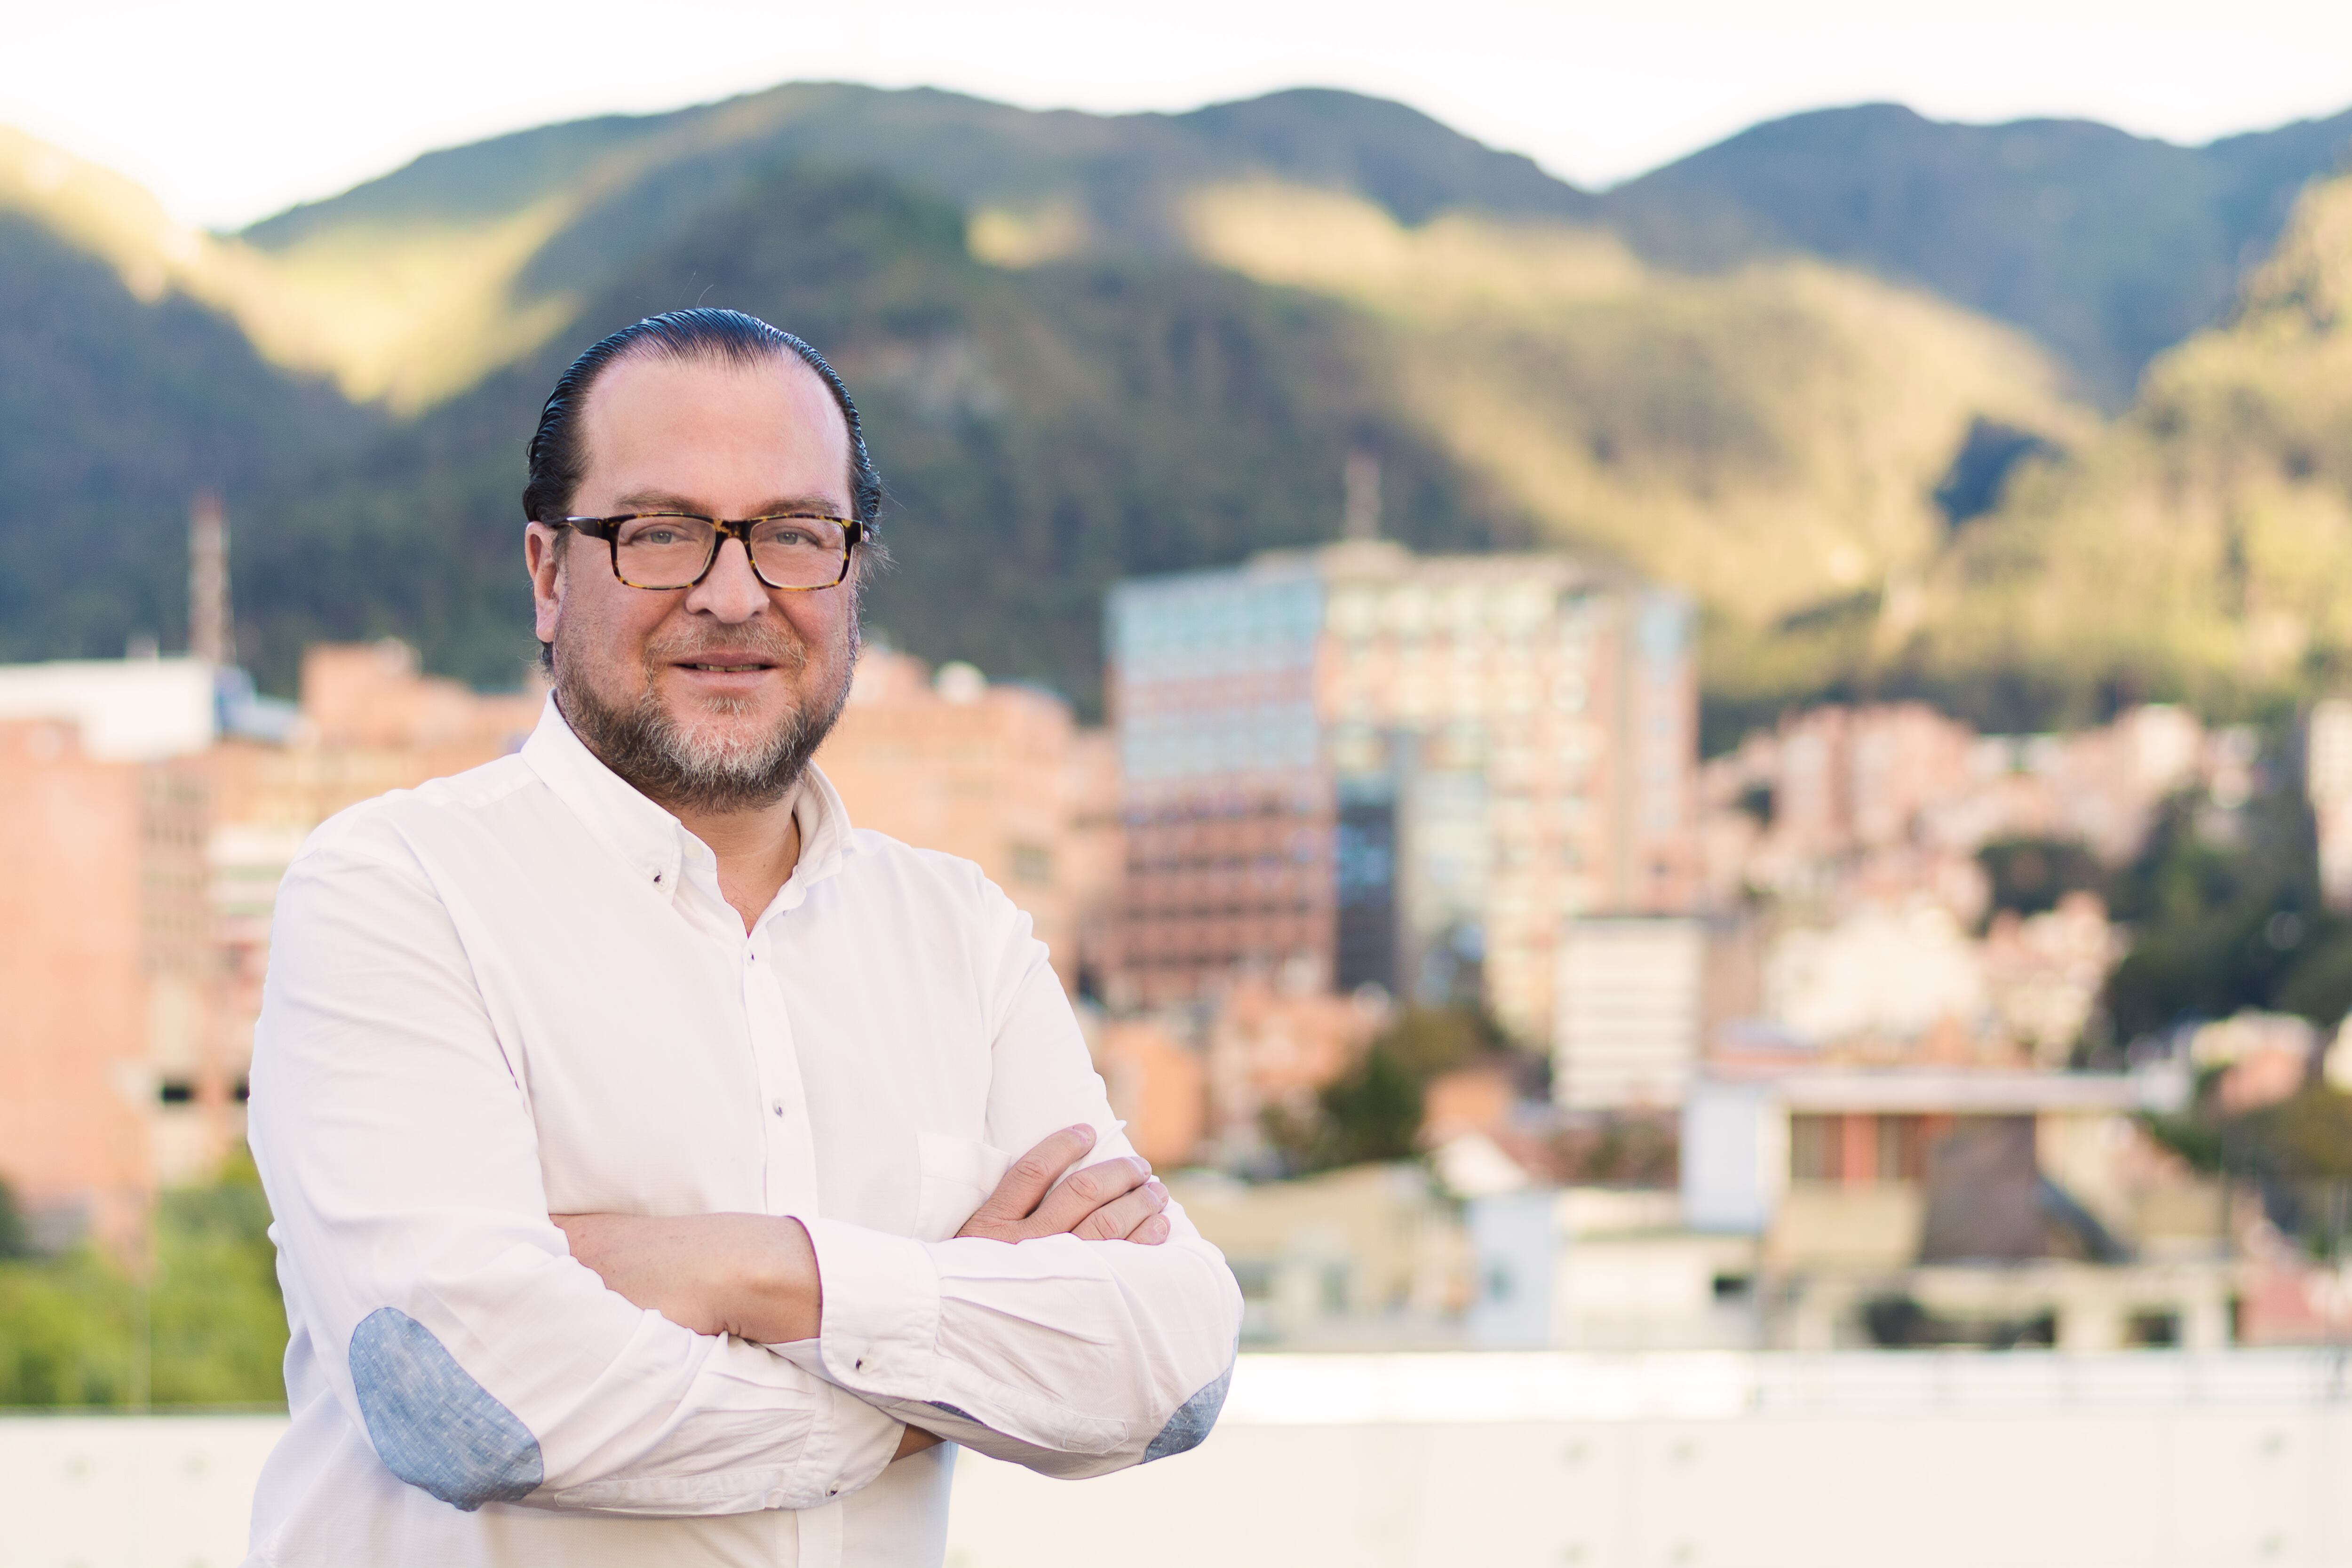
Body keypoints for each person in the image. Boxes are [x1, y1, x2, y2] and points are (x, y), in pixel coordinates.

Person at [243, 307, 1243, 1567]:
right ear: (549, 574)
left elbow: (1169, 1364)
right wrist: (924, 1370)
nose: (734, 594)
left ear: (852, 570)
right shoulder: (397, 891)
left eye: (795, 534)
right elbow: (465, 1402)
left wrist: (747, 1271)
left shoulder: (963, 938)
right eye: (661, 533)